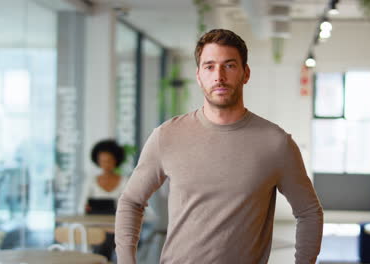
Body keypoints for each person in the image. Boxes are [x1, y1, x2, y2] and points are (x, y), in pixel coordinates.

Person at [115, 29, 323, 264]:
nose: (219, 76)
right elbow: (131, 201)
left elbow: (308, 213)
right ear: (198, 75)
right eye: (209, 66)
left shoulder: (276, 143)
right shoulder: (166, 136)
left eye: (229, 65)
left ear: (246, 73)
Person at [82, 139, 126, 261]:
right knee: (101, 237)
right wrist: (87, 208)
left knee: (107, 238)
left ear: (116, 161)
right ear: (97, 161)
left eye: (109, 161)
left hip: (117, 226)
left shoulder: (124, 181)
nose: (106, 164)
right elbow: (81, 206)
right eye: (103, 161)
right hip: (95, 225)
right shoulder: (91, 181)